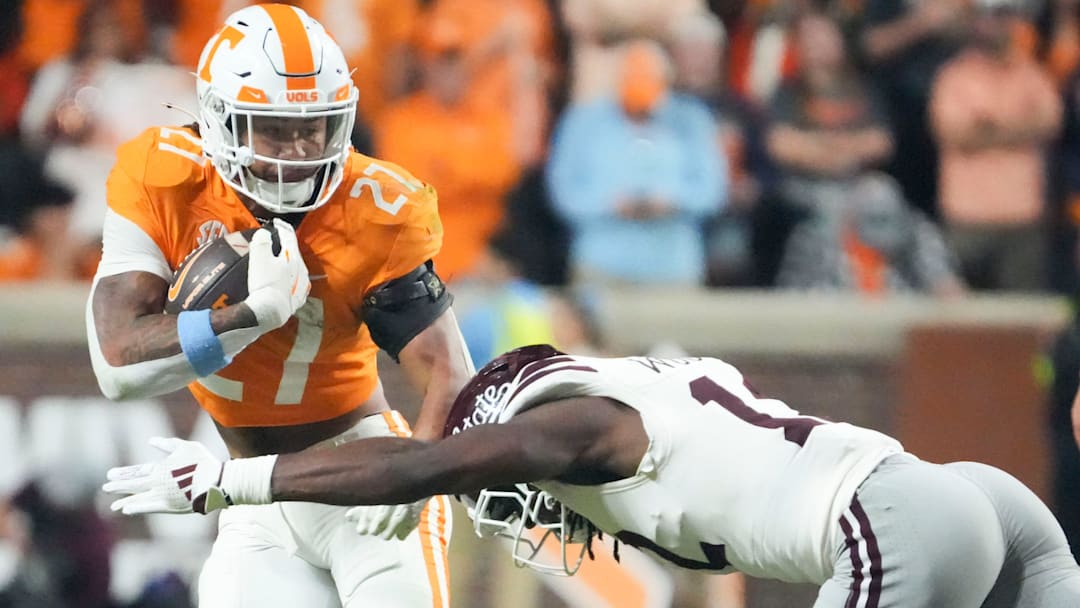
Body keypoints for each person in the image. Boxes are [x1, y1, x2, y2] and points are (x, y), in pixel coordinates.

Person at [105, 345, 1080, 607]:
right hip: (972, 496)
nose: (506, 503)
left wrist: (239, 480)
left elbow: (421, 463)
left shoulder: (581, 427)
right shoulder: (643, 391)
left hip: (891, 524)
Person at [86, 4, 474, 607]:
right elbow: (117, 365)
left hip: (360, 473)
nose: (297, 152)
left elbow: (451, 375)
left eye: (313, 128)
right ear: (220, 120)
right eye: (273, 129)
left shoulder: (374, 209)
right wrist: (250, 317)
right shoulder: (163, 178)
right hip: (253, 503)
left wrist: (417, 475)